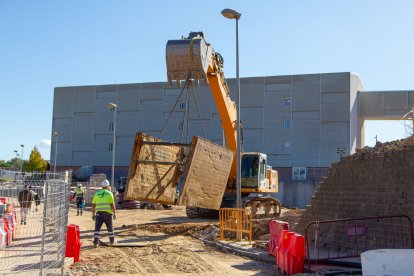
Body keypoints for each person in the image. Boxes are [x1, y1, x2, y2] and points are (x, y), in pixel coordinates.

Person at [92, 179, 116, 247]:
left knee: (97, 228)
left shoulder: (97, 193)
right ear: (107, 186)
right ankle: (112, 241)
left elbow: (93, 205)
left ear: (102, 186)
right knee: (110, 228)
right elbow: (112, 205)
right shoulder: (110, 193)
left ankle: (96, 242)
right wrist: (114, 213)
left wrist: (93, 214)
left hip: (99, 214)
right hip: (108, 214)